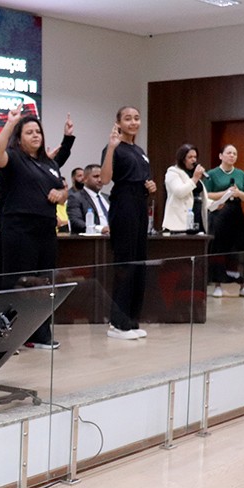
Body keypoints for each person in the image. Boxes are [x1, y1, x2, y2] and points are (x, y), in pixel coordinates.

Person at [0, 107, 72, 349]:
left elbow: (62, 190)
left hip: (46, 229)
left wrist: (61, 194)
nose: (36, 135)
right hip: (19, 228)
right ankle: (8, 335)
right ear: (19, 137)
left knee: (44, 283)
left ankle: (39, 333)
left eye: (38, 131)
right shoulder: (13, 158)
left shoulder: (48, 163)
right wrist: (10, 123)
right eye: (29, 132)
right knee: (17, 282)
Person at [100, 105, 156, 340]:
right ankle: (117, 323)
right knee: (125, 263)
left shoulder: (139, 151)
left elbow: (143, 177)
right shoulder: (113, 147)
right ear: (119, 123)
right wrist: (112, 147)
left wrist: (150, 186)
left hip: (140, 205)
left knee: (138, 263)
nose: (133, 122)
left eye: (136, 118)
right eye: (128, 118)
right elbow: (105, 179)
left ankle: (131, 320)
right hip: (123, 205)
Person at [206, 144, 244, 298]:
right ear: (221, 156)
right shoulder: (212, 174)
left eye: (234, 153)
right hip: (219, 213)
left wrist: (238, 193)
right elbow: (207, 194)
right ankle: (218, 285)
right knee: (219, 248)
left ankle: (243, 285)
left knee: (240, 248)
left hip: (236, 213)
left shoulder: (241, 174)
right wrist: (224, 193)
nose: (232, 155)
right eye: (229, 153)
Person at [162, 143, 208, 233]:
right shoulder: (173, 172)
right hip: (180, 221)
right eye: (190, 157)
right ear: (182, 159)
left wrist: (216, 204)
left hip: (197, 217)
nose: (193, 160)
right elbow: (180, 192)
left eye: (195, 157)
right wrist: (195, 179)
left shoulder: (193, 174)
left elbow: (198, 197)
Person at [67, 163, 109, 234]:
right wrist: (100, 229)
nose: (100, 180)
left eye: (101, 176)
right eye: (96, 176)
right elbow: (76, 221)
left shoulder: (107, 198)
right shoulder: (76, 198)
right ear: (85, 179)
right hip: (92, 238)